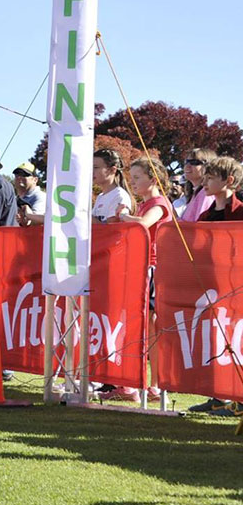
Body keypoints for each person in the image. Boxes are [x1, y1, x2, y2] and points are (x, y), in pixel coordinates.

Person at [109, 155, 173, 403]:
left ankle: (154, 385)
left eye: (137, 178)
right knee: (137, 325)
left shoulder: (159, 202)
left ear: (153, 178)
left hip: (153, 267)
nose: (132, 183)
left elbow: (145, 224)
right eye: (132, 178)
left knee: (151, 326)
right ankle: (132, 382)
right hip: (137, 266)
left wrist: (124, 216)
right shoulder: (143, 204)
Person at [189, 156, 243, 417]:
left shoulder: (241, 211)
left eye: (211, 178)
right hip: (213, 288)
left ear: (228, 181)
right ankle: (218, 397)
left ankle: (239, 401)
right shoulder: (206, 214)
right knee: (216, 339)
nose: (206, 182)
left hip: (238, 287)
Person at [92, 148, 133, 223]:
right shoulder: (100, 196)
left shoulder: (119, 196)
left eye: (96, 167)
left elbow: (111, 230)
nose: (92, 171)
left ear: (112, 170)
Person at [180, 148, 216, 222]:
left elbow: (199, 226)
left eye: (194, 162)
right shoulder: (196, 193)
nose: (187, 165)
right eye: (186, 162)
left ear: (208, 167)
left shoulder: (206, 194)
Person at [13, 162, 46, 226]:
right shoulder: (14, 199)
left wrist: (26, 220)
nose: (19, 177)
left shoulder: (40, 196)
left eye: (24, 174)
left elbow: (36, 220)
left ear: (35, 180)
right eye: (17, 175)